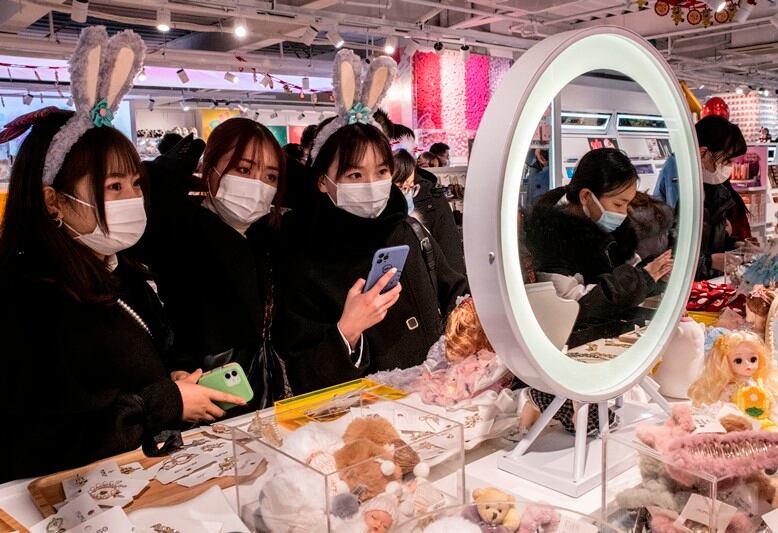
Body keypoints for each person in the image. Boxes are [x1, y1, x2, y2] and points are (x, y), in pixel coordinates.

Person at [0, 27, 243, 481]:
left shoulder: (119, 271)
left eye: (135, 183)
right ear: (53, 201)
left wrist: (168, 386)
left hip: (129, 484)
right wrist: (164, 403)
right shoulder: (28, 297)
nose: (133, 198)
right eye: (113, 187)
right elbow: (43, 436)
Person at [272, 123, 468, 394]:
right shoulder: (304, 256)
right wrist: (348, 331)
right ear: (321, 181)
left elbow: (454, 293)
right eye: (354, 175)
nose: (371, 185)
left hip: (435, 409)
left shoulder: (409, 230)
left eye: (382, 171)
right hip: (362, 425)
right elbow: (304, 376)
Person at [138, 117, 289, 410]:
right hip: (199, 395)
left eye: (270, 176)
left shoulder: (266, 237)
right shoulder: (181, 231)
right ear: (211, 169)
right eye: (243, 170)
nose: (257, 184)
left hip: (264, 393)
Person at [527, 148, 673, 343]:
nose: (623, 213)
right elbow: (573, 305)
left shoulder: (612, 229)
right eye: (619, 204)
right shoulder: (551, 237)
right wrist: (644, 278)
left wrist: (654, 273)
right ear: (586, 196)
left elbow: (624, 274)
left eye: (627, 204)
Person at [653, 115, 748, 279]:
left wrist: (733, 245)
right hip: (681, 284)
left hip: (705, 281)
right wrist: (710, 262)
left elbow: (709, 236)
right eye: (726, 159)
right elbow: (673, 250)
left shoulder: (712, 184)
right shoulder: (679, 180)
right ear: (703, 152)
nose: (730, 166)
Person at [392, 149, 466, 274]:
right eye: (401, 187)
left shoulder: (432, 200)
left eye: (410, 187)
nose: (407, 192)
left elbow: (450, 251)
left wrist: (458, 290)